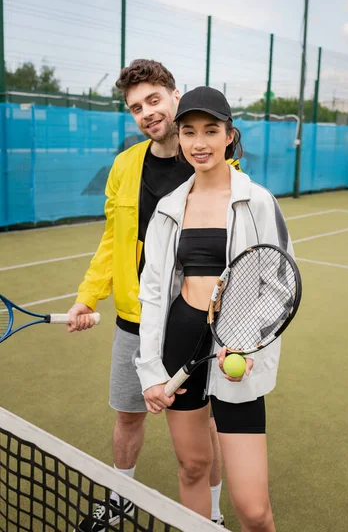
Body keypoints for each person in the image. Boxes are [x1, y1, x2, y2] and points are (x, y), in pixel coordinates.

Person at [66, 62, 238, 531]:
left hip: (195, 321)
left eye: (154, 100)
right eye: (136, 107)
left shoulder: (212, 161)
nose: (147, 113)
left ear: (174, 95)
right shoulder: (124, 165)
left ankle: (214, 511)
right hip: (133, 318)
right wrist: (88, 295)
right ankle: (121, 499)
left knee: (202, 425)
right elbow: (112, 239)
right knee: (128, 415)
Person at [135, 86, 295, 532]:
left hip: (237, 351)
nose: (199, 142)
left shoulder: (257, 201)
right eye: (189, 132)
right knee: (192, 468)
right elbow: (152, 293)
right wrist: (151, 372)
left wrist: (243, 341)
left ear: (229, 136)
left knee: (254, 510)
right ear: (179, 138)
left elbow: (280, 285)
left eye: (210, 131)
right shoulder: (168, 207)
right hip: (181, 338)